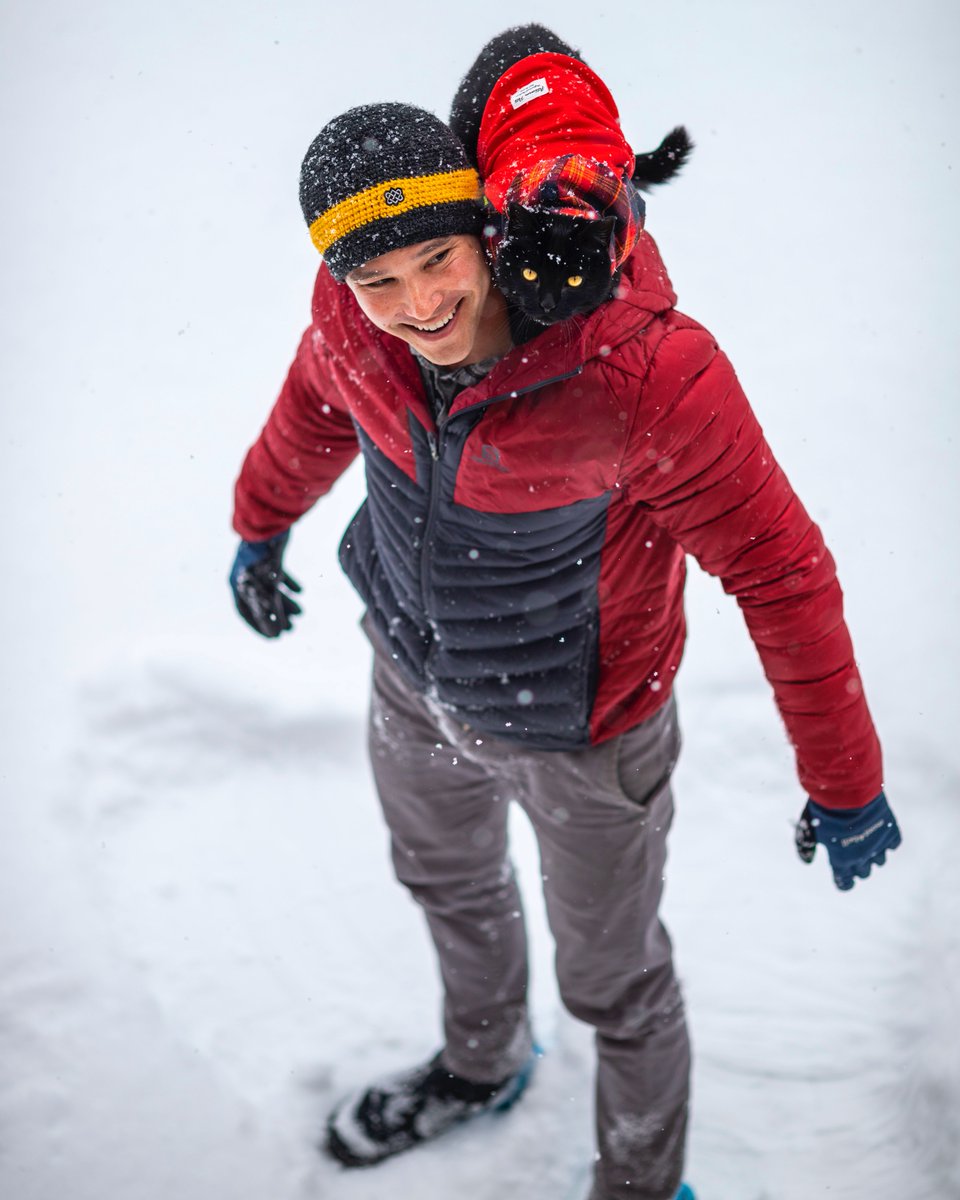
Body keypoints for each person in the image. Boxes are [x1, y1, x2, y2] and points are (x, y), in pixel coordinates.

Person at [229, 102, 901, 1200]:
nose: (417, 306)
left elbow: (780, 572)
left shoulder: (642, 373)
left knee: (616, 981)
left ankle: (641, 1186)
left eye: (436, 259)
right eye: (377, 281)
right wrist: (259, 522)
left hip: (585, 729)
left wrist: (843, 775)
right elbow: (317, 399)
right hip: (409, 676)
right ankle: (482, 1063)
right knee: (447, 883)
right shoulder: (350, 321)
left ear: (489, 230)